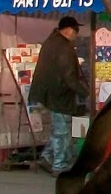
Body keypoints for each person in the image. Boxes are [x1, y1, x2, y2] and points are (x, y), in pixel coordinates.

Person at [29, 15, 89, 174]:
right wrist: (86, 93)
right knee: (62, 132)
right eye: (76, 31)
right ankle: (60, 166)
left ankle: (47, 157)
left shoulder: (50, 42)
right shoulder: (64, 48)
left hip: (45, 93)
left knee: (58, 129)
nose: (77, 34)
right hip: (59, 95)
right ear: (69, 30)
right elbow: (69, 77)